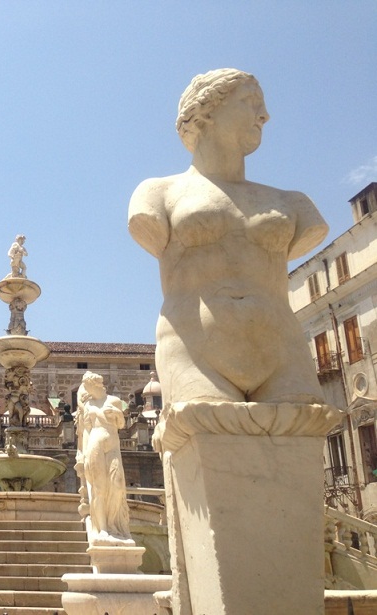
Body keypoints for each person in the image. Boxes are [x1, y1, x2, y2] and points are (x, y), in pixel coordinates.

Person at [128, 69, 328, 406]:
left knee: (303, 423)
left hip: (284, 350)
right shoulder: (156, 194)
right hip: (194, 351)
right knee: (209, 421)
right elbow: (144, 225)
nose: (264, 115)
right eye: (250, 101)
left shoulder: (293, 204)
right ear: (205, 112)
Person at [76, 371, 133, 546]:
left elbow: (122, 424)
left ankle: (115, 526)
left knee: (117, 485)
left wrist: (116, 413)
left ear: (95, 385)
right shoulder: (88, 404)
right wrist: (83, 455)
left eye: (87, 386)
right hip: (94, 445)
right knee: (98, 488)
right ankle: (102, 529)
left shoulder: (114, 401)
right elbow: (86, 430)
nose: (85, 390)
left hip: (112, 445)